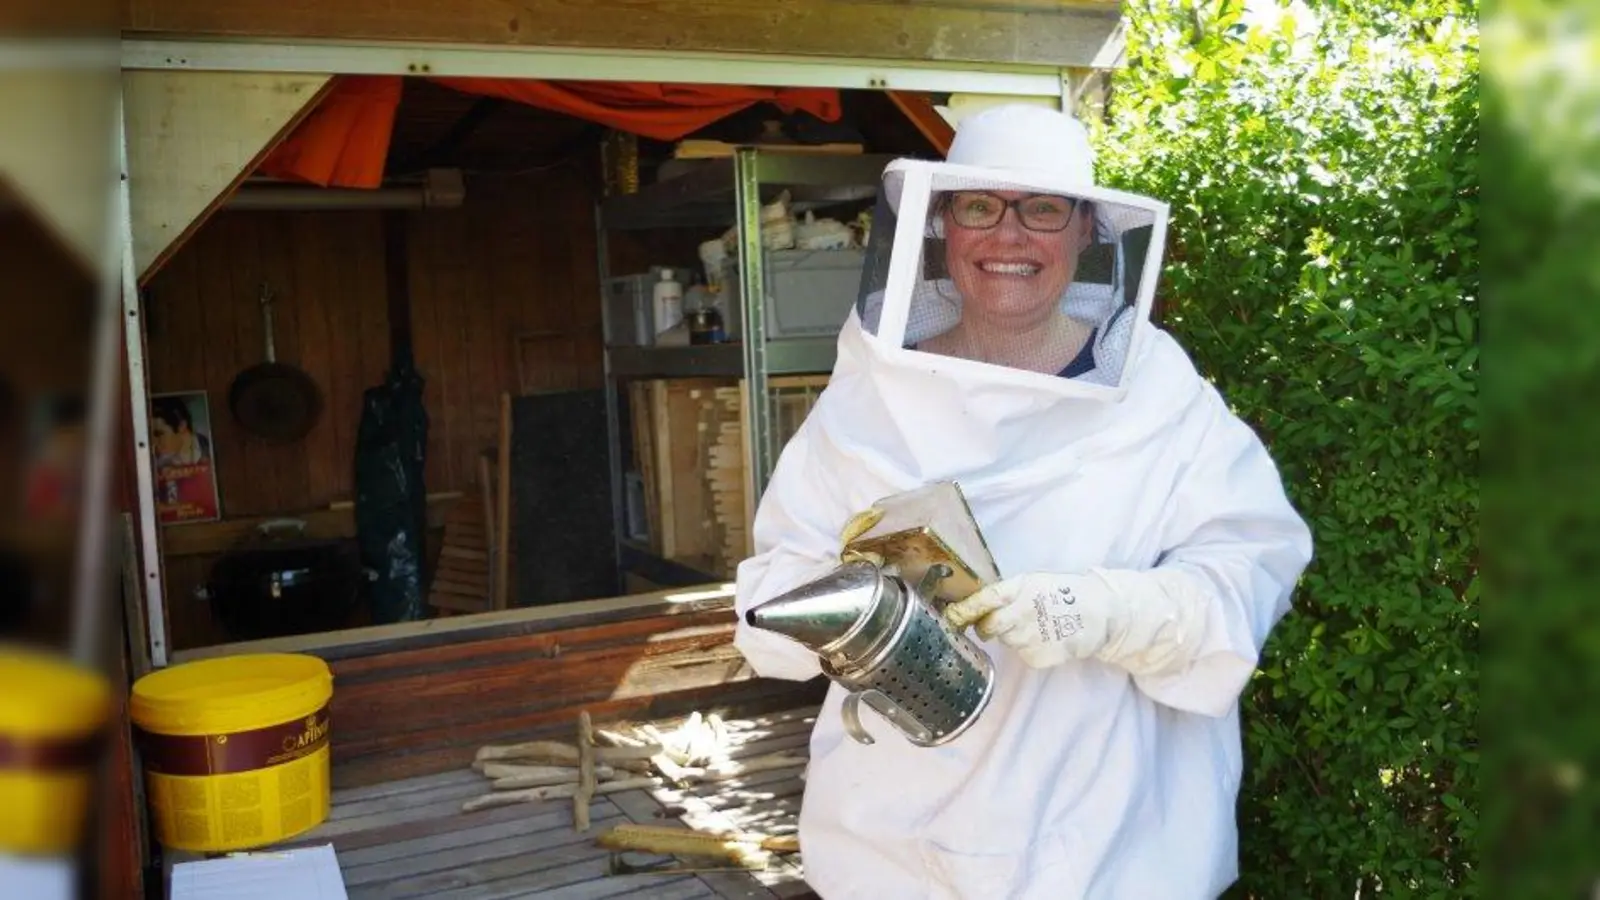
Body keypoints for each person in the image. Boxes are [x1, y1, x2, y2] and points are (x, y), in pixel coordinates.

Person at [732, 103, 1314, 899]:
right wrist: (859, 617)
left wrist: (1110, 611)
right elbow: (779, 585)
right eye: (980, 206)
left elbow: (1251, 562)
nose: (1009, 237)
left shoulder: (1155, 390)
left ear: (1085, 232)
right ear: (944, 226)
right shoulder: (870, 389)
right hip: (898, 838)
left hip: (1113, 833)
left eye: (1042, 209)